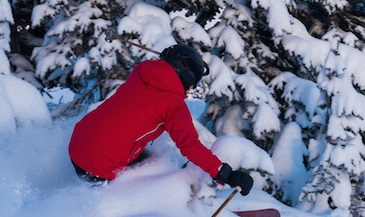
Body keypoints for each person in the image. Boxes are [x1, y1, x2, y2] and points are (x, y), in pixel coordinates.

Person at [67, 44, 253, 195]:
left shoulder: (140, 73)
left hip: (78, 141)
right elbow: (190, 146)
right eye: (194, 83)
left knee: (149, 156)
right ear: (186, 76)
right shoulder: (174, 105)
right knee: (156, 169)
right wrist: (226, 174)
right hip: (99, 166)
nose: (191, 89)